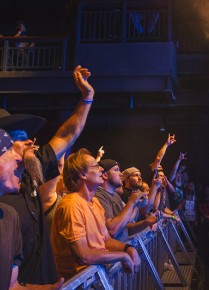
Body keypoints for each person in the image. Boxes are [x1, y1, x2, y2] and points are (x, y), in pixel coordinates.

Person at [0, 65, 95, 285]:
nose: (31, 141)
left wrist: (87, 97)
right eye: (20, 137)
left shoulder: (33, 168)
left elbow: (67, 134)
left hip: (43, 281)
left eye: (30, 136)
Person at [51, 149, 141, 280]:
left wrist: (128, 249)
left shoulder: (94, 202)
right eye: (96, 166)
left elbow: (106, 240)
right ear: (82, 174)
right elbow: (83, 255)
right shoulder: (71, 205)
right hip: (80, 283)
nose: (101, 170)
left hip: (96, 279)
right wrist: (122, 256)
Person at [0, 129, 64, 290]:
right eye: (8, 151)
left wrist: (47, 288)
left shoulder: (8, 215)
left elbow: (11, 285)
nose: (17, 157)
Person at [95, 159, 157, 242]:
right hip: (114, 251)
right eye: (116, 170)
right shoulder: (99, 196)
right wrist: (131, 202)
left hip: (123, 246)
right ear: (105, 175)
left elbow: (126, 226)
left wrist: (146, 222)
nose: (121, 174)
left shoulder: (116, 196)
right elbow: (112, 231)